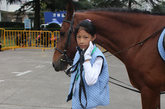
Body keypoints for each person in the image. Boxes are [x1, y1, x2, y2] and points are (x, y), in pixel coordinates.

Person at [66, 19, 110, 109]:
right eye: (78, 37)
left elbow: (90, 81)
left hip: (88, 102)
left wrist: (87, 59)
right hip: (78, 99)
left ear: (93, 37)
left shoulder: (97, 56)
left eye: (85, 37)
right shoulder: (80, 51)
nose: (81, 41)